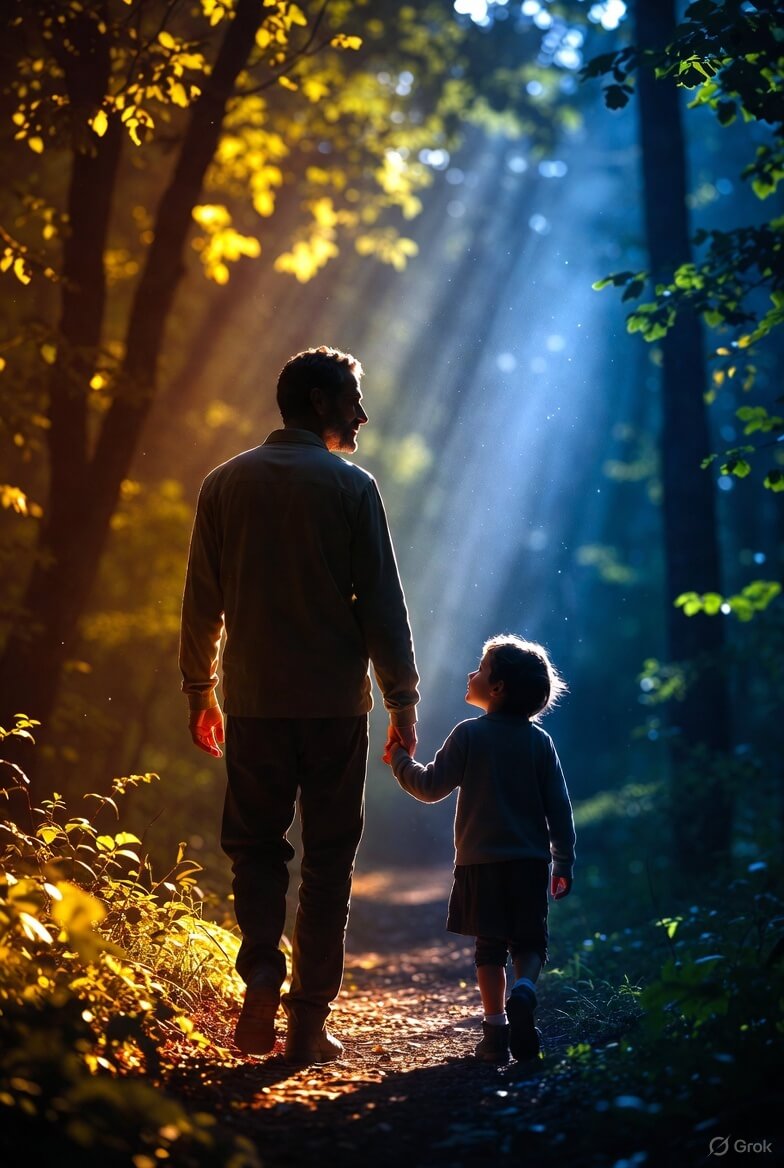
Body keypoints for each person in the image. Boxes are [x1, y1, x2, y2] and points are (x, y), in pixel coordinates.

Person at [179, 345, 419, 1065]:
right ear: (319, 402)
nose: (362, 413)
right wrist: (401, 698)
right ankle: (308, 1022)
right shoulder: (352, 488)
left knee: (255, 851)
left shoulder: (224, 484)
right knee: (329, 861)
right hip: (336, 708)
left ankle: (259, 988)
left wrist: (200, 689)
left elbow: (201, 604)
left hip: (252, 703)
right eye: (351, 397)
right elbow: (383, 605)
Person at [385, 633, 575, 1064]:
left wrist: (399, 759)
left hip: (480, 865)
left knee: (489, 949)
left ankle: (495, 1032)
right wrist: (563, 861)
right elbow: (559, 810)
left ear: (497, 688)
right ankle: (525, 990)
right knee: (529, 943)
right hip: (529, 863)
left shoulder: (469, 735)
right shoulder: (539, 743)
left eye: (481, 668)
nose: (472, 673)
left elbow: (430, 787)